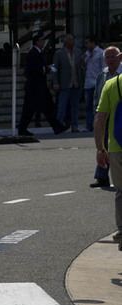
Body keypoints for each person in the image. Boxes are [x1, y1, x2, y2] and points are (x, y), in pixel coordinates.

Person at [18, 31, 70, 137]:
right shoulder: (33, 53)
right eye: (41, 40)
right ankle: (22, 129)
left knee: (48, 107)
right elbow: (34, 69)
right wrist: (48, 68)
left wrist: (46, 68)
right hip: (34, 87)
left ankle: (57, 127)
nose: (43, 42)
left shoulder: (39, 52)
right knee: (30, 109)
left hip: (40, 86)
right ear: (37, 42)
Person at [93, 62, 122, 251]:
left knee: (121, 192)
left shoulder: (112, 84)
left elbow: (99, 121)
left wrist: (100, 149)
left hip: (117, 147)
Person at [90, 46, 122, 188]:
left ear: (120, 57)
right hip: (105, 114)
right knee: (103, 144)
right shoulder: (102, 75)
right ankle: (102, 176)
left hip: (118, 115)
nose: (110, 60)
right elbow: (97, 95)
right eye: (107, 57)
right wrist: (96, 112)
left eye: (113, 56)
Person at [52, 34, 84, 132]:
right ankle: (59, 125)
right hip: (65, 84)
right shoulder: (59, 53)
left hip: (76, 83)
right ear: (65, 42)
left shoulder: (78, 52)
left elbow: (81, 67)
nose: (72, 42)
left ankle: (74, 125)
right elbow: (55, 69)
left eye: (73, 40)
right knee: (62, 106)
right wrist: (55, 82)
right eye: (70, 40)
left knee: (75, 106)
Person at [83, 35, 105, 132]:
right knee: (88, 105)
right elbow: (84, 68)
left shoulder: (100, 53)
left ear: (93, 43)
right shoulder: (87, 54)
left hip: (97, 82)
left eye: (88, 42)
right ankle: (89, 125)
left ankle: (98, 124)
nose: (86, 45)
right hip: (88, 83)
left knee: (97, 105)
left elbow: (103, 68)